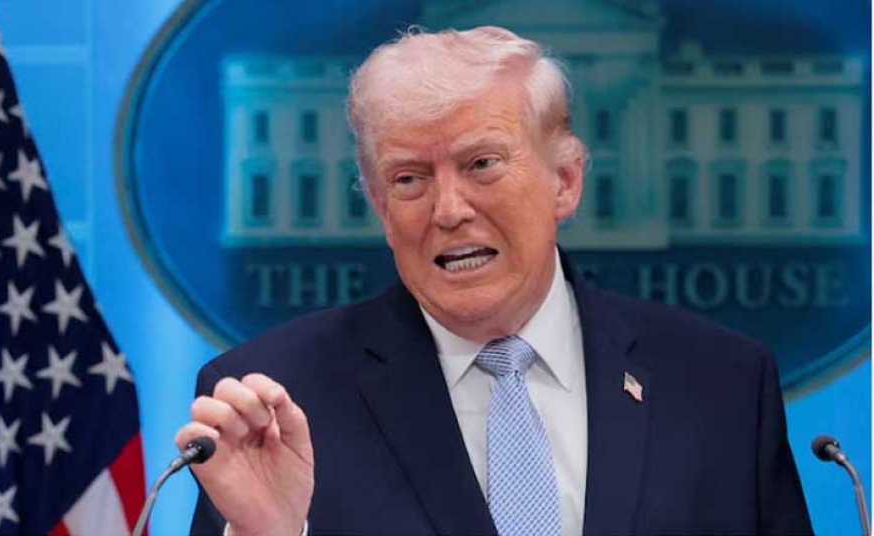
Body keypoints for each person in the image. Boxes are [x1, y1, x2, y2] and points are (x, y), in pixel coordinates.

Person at [175, 26, 813, 535]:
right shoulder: (276, 400)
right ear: (381, 207)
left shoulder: (722, 386)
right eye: (409, 179)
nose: (448, 210)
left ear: (565, 181)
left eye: (482, 164)